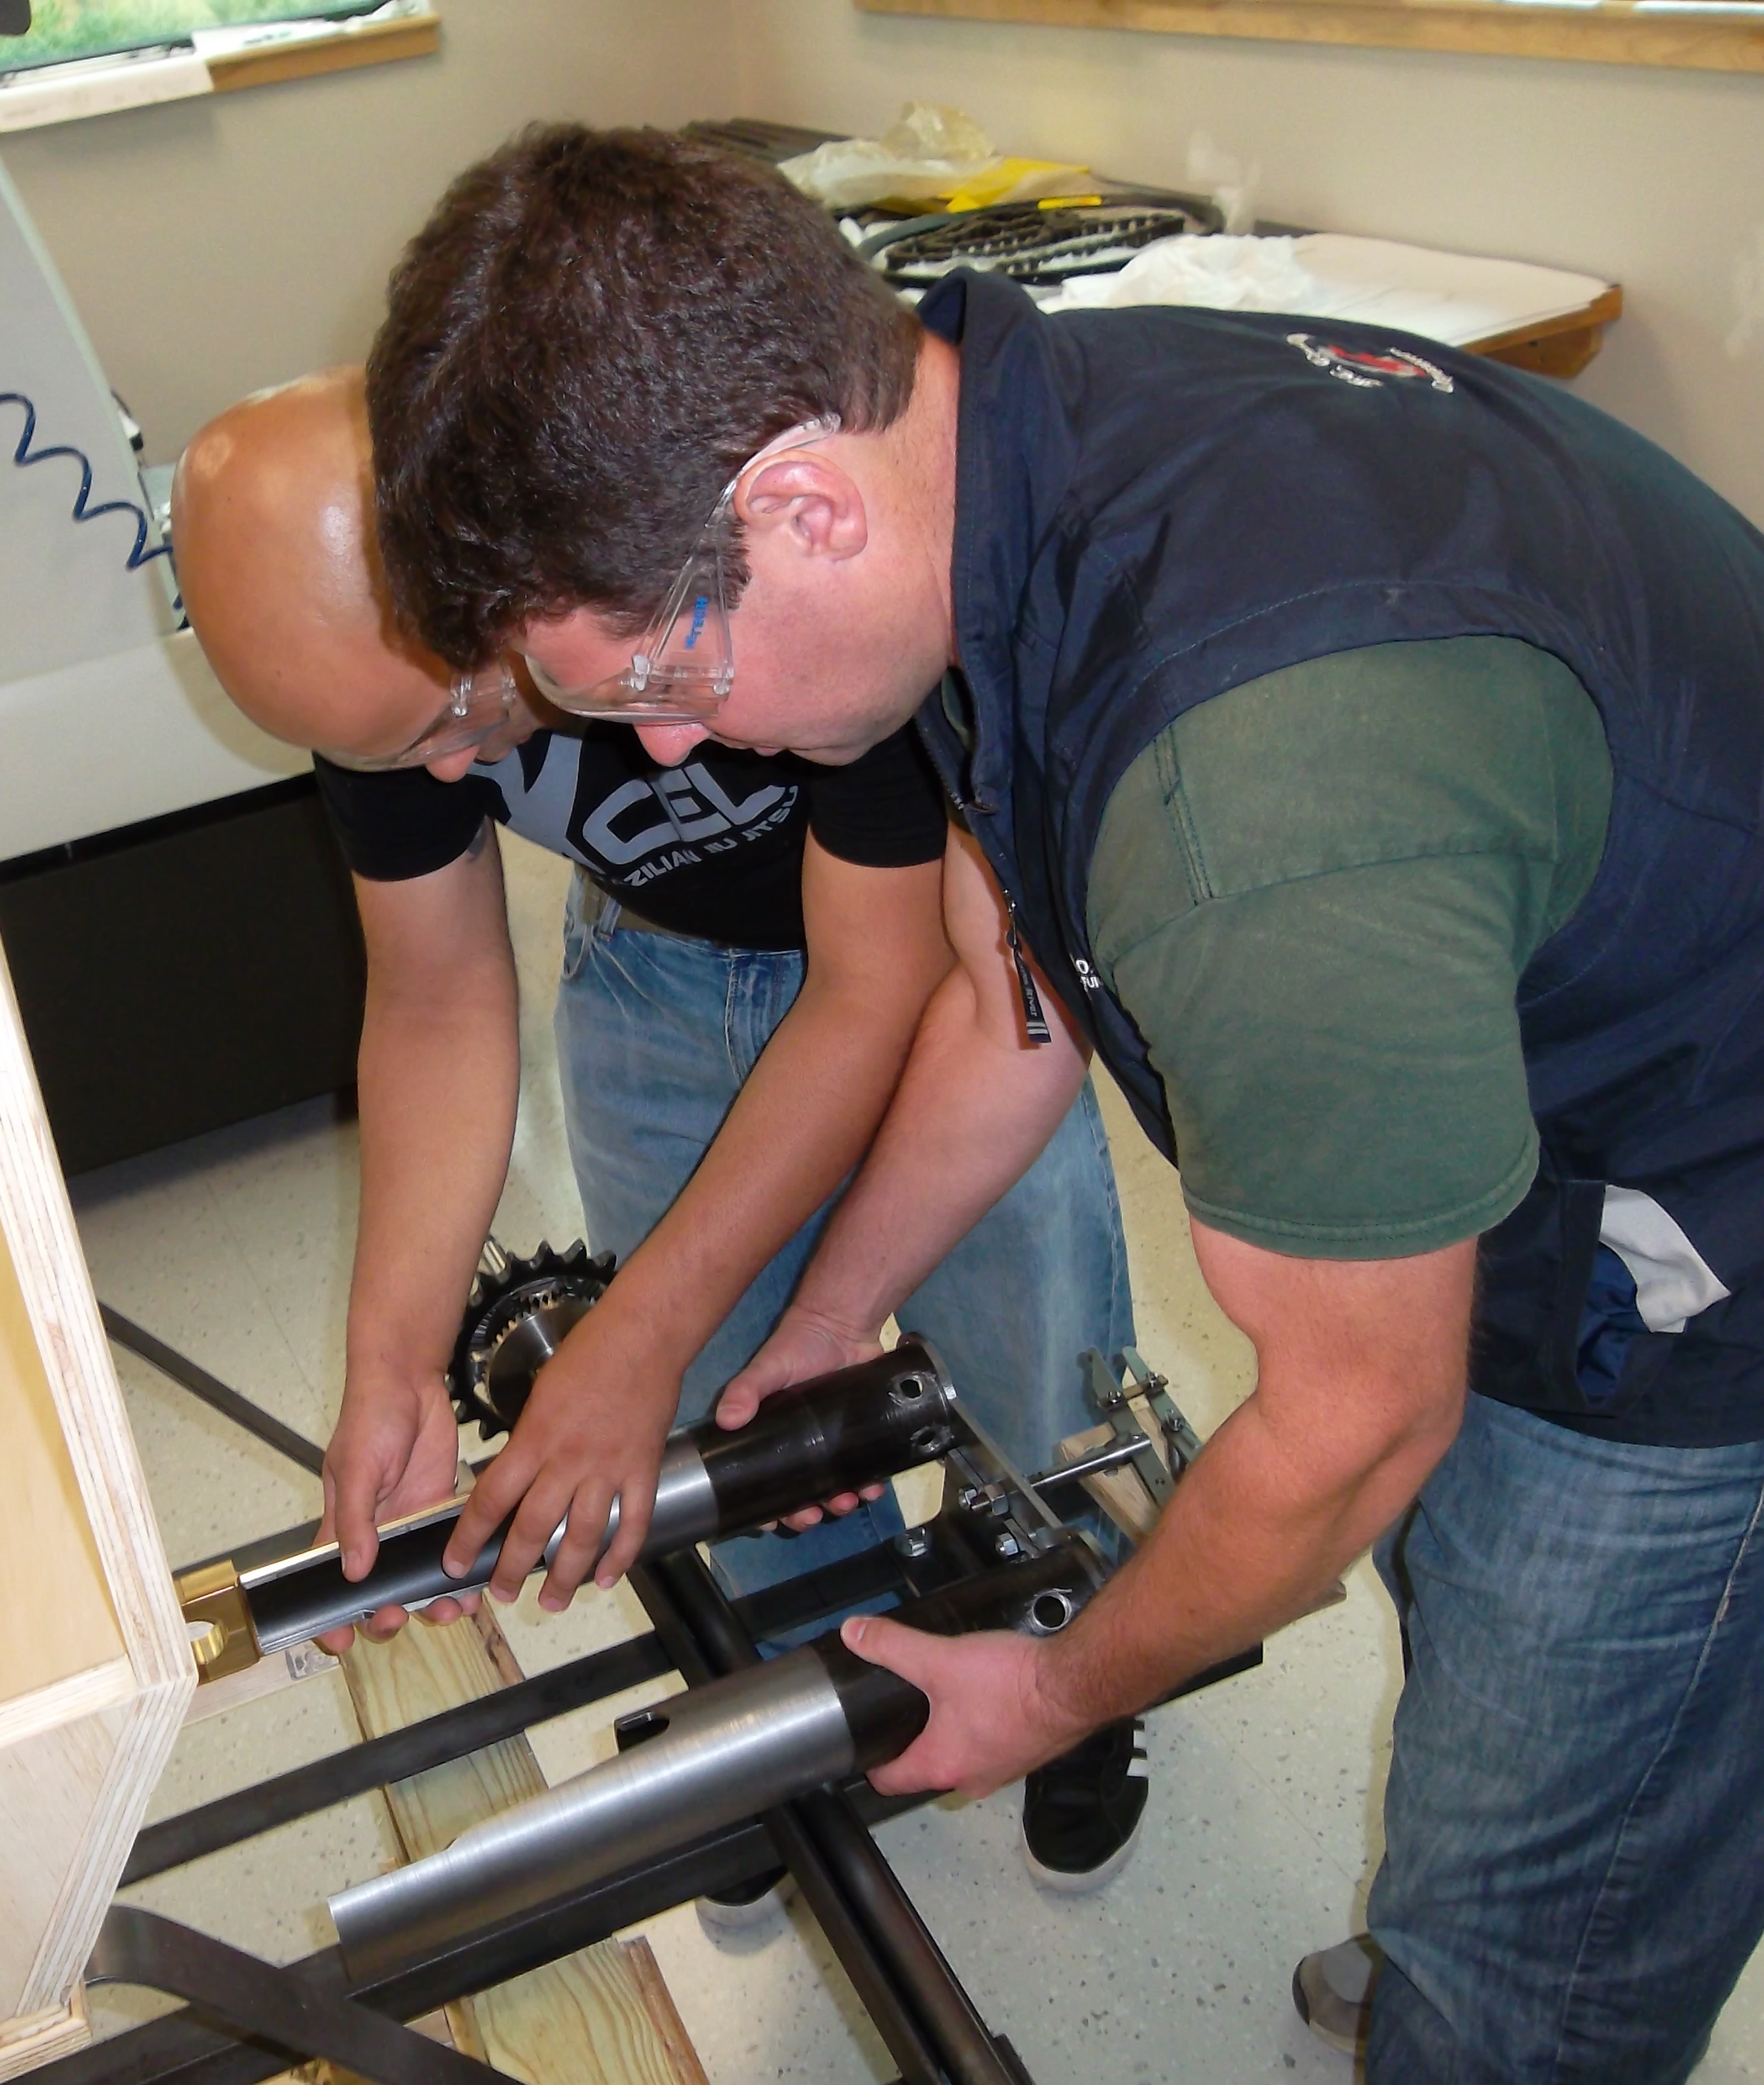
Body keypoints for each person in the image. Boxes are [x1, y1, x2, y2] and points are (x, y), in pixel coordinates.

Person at [356, 126, 1764, 2085]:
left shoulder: (1251, 792)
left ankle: (1513, 1991)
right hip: (1580, 1060)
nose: (666, 744)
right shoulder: (992, 445)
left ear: (800, 503)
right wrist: (831, 1315)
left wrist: (1056, 1689)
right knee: (1484, 1637)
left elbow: (1354, 1425)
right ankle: (1491, 1892)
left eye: (657, 675)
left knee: (1539, 1945)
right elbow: (1015, 1013)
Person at [167, 369, 1147, 1889]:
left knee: (1036, 1360)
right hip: (650, 978)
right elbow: (435, 1001)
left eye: (455, 718)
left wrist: (630, 1335)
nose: (449, 775)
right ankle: (804, 1706)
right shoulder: (379, 691)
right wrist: (394, 1359)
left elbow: (876, 989)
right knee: (727, 1414)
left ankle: (1080, 1656)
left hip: (925, 973)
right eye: (390, 757)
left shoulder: (750, 588)